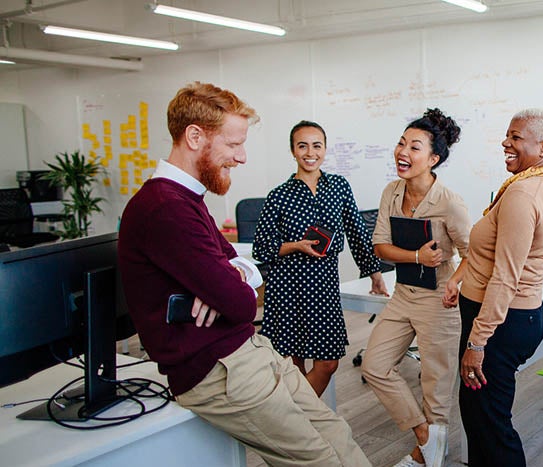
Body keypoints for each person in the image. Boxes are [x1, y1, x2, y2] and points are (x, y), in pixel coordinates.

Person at [118, 82, 371, 467]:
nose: (242, 158)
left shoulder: (188, 199)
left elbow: (243, 265)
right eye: (233, 145)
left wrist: (230, 273)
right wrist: (230, 282)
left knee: (337, 432)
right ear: (195, 136)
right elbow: (240, 302)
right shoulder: (164, 207)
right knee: (320, 458)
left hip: (248, 352)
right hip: (218, 371)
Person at [445, 108, 543, 467]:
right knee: (479, 416)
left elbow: (506, 276)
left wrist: (477, 343)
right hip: (511, 319)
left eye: (515, 138)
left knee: (492, 426)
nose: (505, 143)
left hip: (498, 323)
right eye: (507, 135)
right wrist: (458, 277)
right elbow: (492, 249)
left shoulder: (521, 195)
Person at [361, 108, 471, 467]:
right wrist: (416, 257)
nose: (403, 152)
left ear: (434, 158)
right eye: (401, 143)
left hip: (438, 300)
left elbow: (474, 256)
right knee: (374, 366)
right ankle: (425, 435)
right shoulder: (391, 191)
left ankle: (426, 457)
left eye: (415, 147)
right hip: (403, 295)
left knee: (435, 386)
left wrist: (454, 281)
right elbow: (380, 246)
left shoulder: (450, 203)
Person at [252, 120, 388, 397]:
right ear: (293, 151)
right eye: (302, 146)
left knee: (328, 362)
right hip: (287, 286)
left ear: (325, 149)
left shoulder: (338, 186)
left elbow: (356, 231)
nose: (310, 152)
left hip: (324, 284)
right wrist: (295, 246)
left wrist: (373, 273)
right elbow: (261, 249)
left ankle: (296, 419)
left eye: (317, 145)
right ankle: (303, 427)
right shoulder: (279, 196)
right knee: (293, 364)